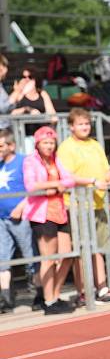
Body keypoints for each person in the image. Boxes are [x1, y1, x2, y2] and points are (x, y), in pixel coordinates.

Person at [58, 108, 110, 305]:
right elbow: (68, 177)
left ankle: (102, 289)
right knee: (82, 251)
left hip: (97, 203)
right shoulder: (66, 147)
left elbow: (105, 170)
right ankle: (83, 291)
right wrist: (93, 180)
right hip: (78, 205)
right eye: (80, 124)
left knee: (98, 248)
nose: (85, 127)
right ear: (71, 127)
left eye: (87, 123)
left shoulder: (95, 145)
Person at [22, 127, 78, 315]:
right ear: (38, 144)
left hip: (59, 211)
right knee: (49, 259)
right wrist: (55, 184)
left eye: (52, 142)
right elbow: (31, 186)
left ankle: (54, 294)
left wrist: (58, 186)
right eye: (45, 143)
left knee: (68, 255)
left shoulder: (56, 159)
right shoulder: (31, 161)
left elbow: (70, 179)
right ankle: (49, 300)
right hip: (42, 214)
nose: (49, 146)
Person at [0, 129, 39, 312]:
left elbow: (32, 188)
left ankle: (38, 292)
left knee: (30, 254)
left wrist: (21, 206)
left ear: (11, 146)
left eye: (1, 145)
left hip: (20, 216)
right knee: (2, 258)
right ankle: (6, 297)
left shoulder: (23, 162)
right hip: (1, 218)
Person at [10, 68, 57, 136]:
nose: (26, 79)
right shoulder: (19, 94)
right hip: (24, 134)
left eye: (30, 77)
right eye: (24, 77)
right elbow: (11, 112)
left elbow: (52, 115)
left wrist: (41, 117)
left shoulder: (42, 93)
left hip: (41, 133)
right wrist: (27, 109)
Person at [0, 55, 26, 130]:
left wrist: (17, 96)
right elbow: (3, 108)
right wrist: (16, 92)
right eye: (2, 67)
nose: (5, 70)